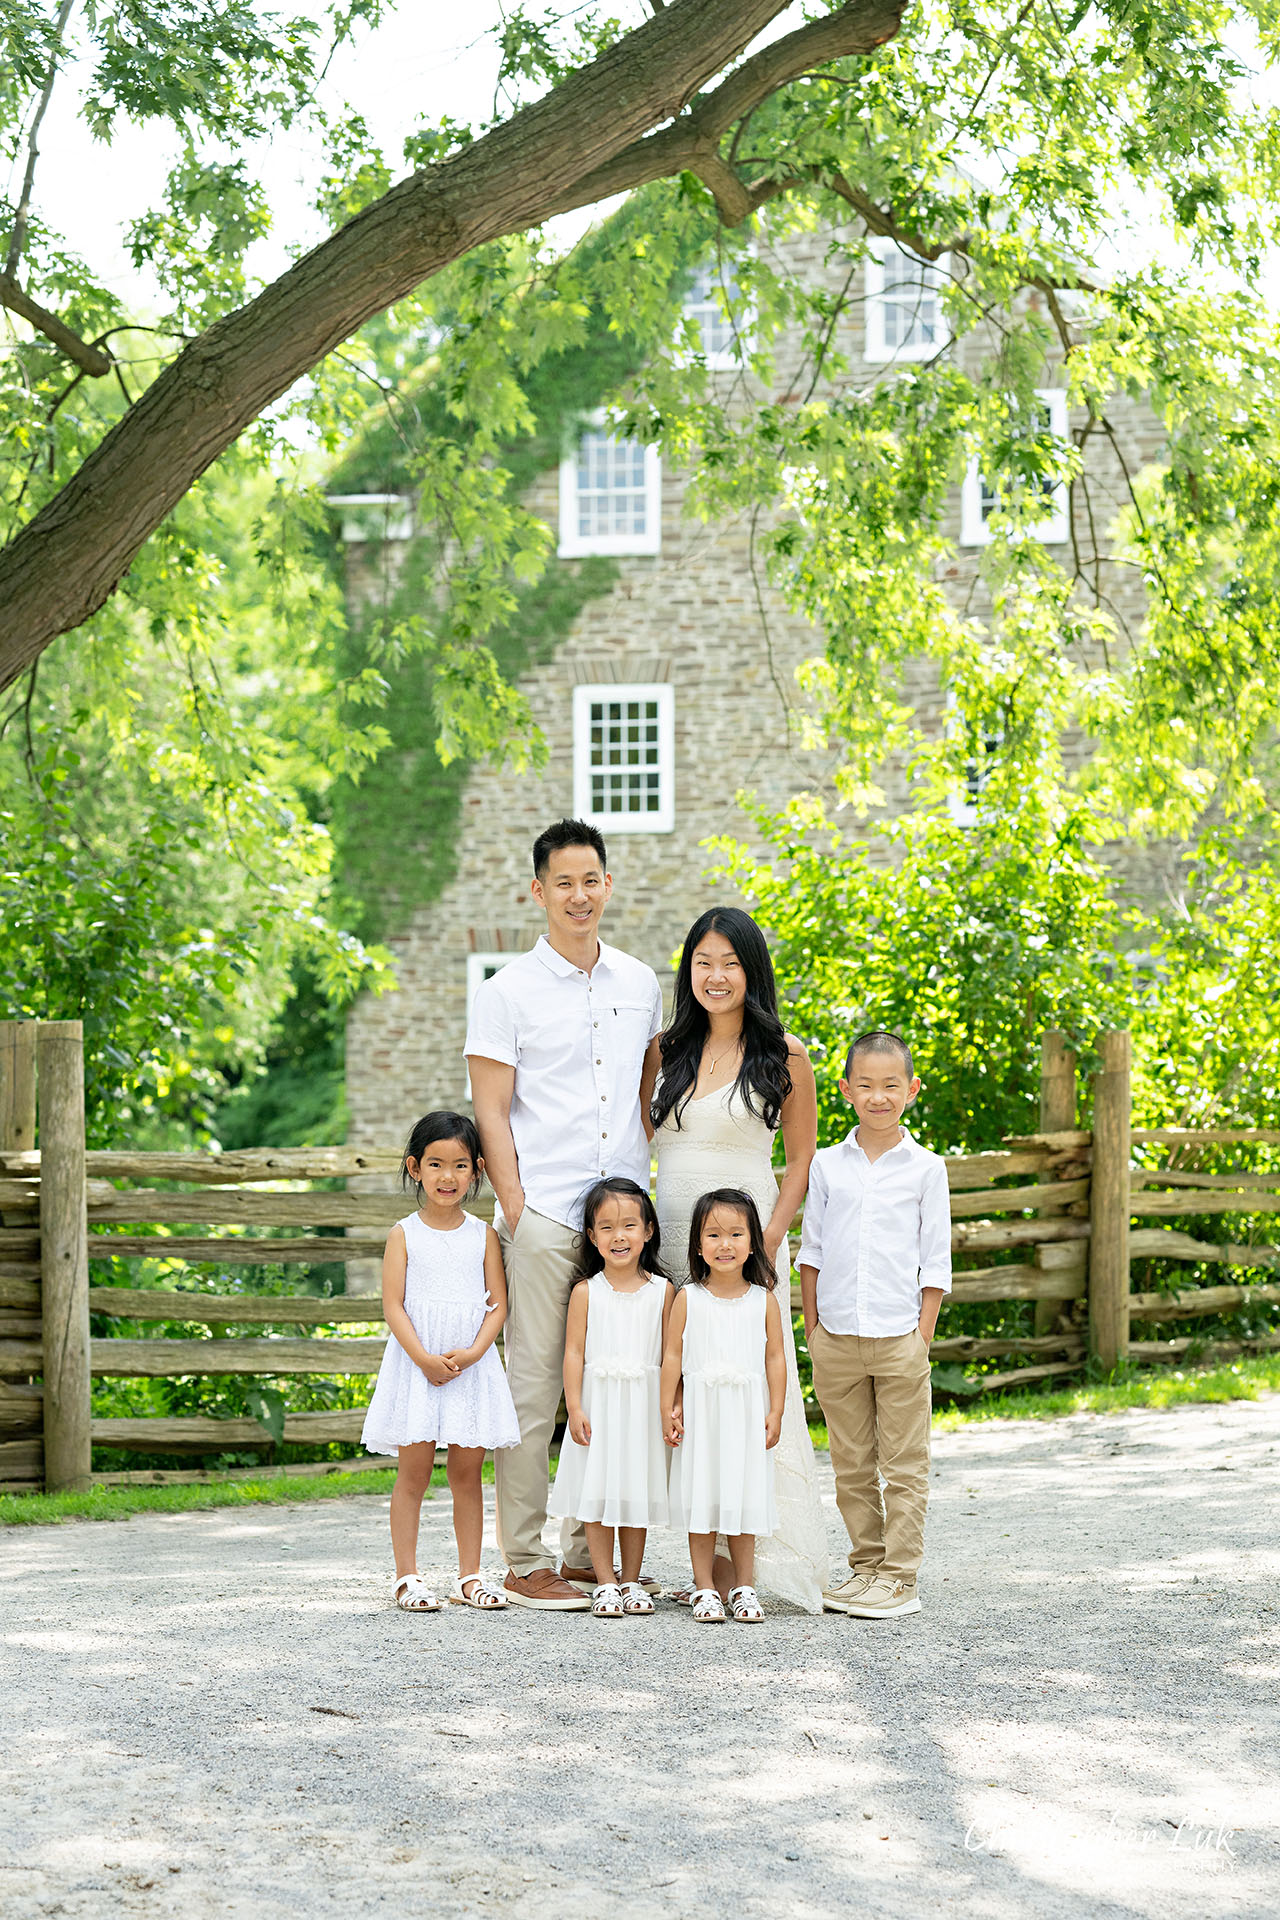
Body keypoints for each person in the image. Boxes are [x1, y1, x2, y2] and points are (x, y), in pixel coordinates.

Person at [465, 819, 664, 1610]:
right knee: (535, 1385)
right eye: (564, 883)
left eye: (592, 880)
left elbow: (651, 1097)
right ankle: (522, 1558)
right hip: (547, 1212)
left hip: (623, 1220)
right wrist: (516, 1209)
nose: (579, 896)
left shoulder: (641, 983)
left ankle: (592, 1553)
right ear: (538, 892)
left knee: (614, 1383)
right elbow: (491, 1114)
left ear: (607, 885)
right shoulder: (504, 991)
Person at [650, 906, 829, 1611]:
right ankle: (666, 1562)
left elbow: (801, 1157)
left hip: (745, 1251)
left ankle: (753, 1566)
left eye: (730, 963)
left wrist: (771, 1242)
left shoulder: (786, 1055)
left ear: (751, 972)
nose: (715, 976)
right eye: (703, 962)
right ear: (688, 970)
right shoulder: (662, 1050)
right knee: (678, 1393)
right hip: (670, 1242)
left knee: (746, 1390)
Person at [797, 1031, 951, 1619]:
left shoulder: (926, 1169)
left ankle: (900, 1576)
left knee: (904, 1463)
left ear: (910, 1090)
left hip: (899, 1338)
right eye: (866, 1085)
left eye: (891, 1085)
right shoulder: (828, 1166)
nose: (878, 1096)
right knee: (851, 1463)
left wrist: (922, 1335)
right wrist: (812, 1328)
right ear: (846, 1091)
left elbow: (935, 1261)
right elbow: (810, 1251)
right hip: (835, 1337)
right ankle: (865, 1569)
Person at [362, 1111, 520, 1613]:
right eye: (435, 1164)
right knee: (413, 1474)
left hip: (469, 1367)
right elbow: (393, 1305)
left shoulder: (483, 1236)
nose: (447, 1177)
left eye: (459, 1165)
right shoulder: (403, 1234)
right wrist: (423, 1359)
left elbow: (498, 1302)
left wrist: (475, 1351)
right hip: (418, 1365)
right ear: (415, 1168)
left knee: (467, 1475)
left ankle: (470, 1576)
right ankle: (406, 1576)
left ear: (476, 1170)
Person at [548, 1178, 673, 1618]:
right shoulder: (586, 1291)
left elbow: (669, 1355)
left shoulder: (664, 1291)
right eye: (606, 1227)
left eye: (629, 1226)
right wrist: (575, 1406)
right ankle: (604, 1581)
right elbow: (574, 1353)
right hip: (599, 1405)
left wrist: (670, 1404)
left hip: (642, 1406)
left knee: (634, 1490)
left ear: (648, 1231)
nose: (619, 1236)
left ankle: (632, 1579)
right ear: (591, 1236)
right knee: (598, 1492)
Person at [661, 1189, 785, 1624]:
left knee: (743, 1498)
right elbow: (672, 1357)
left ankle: (744, 1587)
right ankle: (705, 1588)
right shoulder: (688, 1298)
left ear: (753, 1243)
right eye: (714, 1234)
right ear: (698, 1243)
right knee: (702, 1499)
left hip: (746, 1414)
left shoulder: (763, 1299)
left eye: (736, 1233)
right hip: (701, 1414)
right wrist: (668, 1406)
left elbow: (775, 1357)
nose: (726, 1244)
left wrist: (777, 1410)